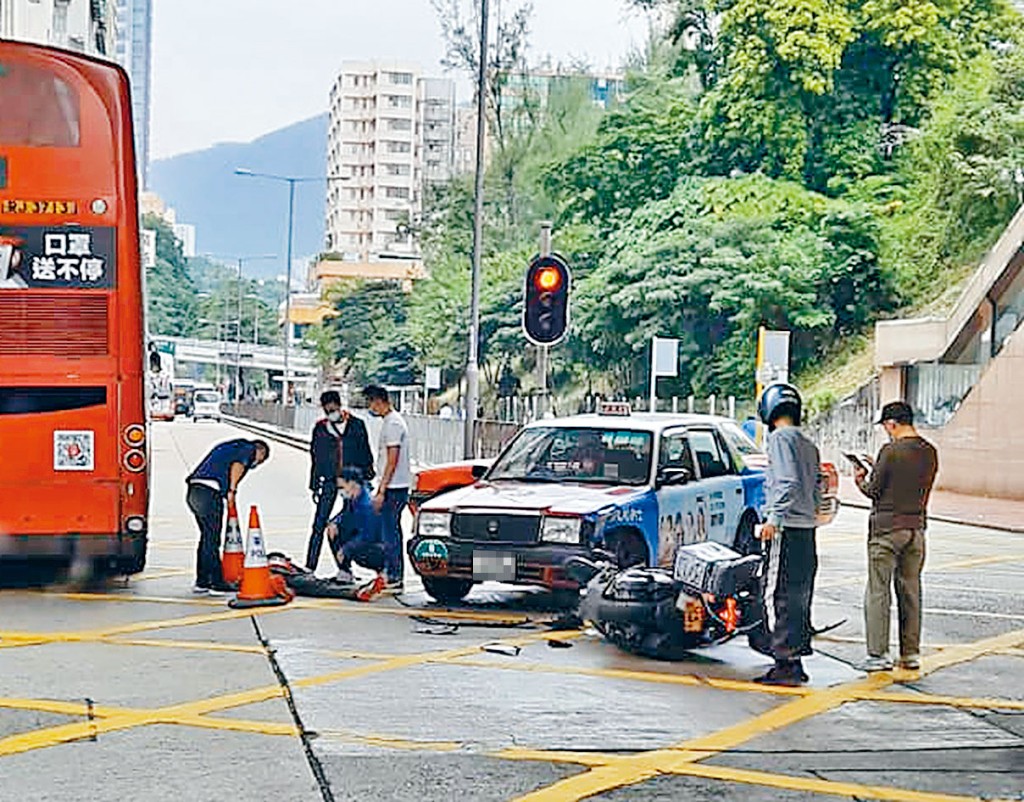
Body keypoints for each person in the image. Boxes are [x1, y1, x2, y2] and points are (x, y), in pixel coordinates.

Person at [854, 401, 938, 672]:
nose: (886, 432)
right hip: (916, 529)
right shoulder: (929, 452)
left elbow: (875, 490)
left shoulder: (890, 451)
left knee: (879, 591)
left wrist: (861, 479)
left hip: (887, 529)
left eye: (887, 427)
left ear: (892, 424)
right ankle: (910, 654)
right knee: (911, 590)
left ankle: (878, 655)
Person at [753, 383, 821, 686]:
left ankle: (784, 662)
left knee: (778, 594)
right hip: (807, 528)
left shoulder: (780, 439)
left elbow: (787, 481)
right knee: (800, 595)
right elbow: (816, 486)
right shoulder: (808, 443)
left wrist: (773, 519)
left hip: (788, 528)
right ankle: (796, 659)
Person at [186, 438, 269, 594]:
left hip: (194, 491)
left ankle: (202, 581)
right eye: (260, 460)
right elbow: (237, 465)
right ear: (260, 451)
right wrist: (232, 491)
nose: (256, 464)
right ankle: (216, 583)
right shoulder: (248, 448)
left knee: (206, 538)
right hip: (209, 492)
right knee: (212, 539)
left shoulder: (231, 446)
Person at [307, 390, 374, 572]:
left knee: (347, 523)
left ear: (339, 405)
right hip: (329, 480)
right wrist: (314, 482)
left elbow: (365, 451)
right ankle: (310, 566)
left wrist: (367, 476)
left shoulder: (357, 425)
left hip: (351, 482)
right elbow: (315, 455)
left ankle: (344, 568)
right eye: (327, 411)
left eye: (333, 409)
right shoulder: (320, 428)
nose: (331, 413)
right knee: (319, 523)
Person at [364, 384, 411, 591]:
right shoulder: (391, 421)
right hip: (395, 485)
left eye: (370, 402)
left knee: (390, 532)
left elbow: (392, 459)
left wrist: (382, 489)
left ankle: (394, 576)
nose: (370, 407)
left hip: (394, 487)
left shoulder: (393, 424)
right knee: (389, 531)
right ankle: (391, 573)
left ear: (379, 401)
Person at [324, 467, 386, 583]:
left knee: (357, 550)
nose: (340, 491)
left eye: (342, 487)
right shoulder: (352, 499)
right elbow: (344, 515)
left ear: (352, 484)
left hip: (375, 545)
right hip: (360, 536)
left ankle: (383, 571)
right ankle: (345, 572)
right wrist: (334, 523)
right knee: (333, 530)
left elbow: (368, 536)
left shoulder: (367, 505)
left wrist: (346, 549)